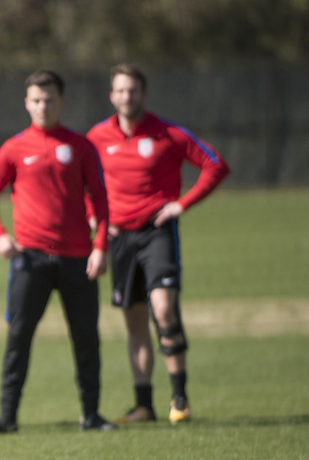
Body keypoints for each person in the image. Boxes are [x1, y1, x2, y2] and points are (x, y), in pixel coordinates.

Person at [87, 63, 230, 424]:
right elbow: (83, 181)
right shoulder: (97, 137)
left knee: (163, 309)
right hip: (119, 237)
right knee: (134, 321)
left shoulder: (168, 132)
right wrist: (94, 217)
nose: (126, 97)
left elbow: (215, 165)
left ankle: (179, 399)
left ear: (144, 95)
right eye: (120, 91)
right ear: (111, 96)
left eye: (133, 90)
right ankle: (143, 405)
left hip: (157, 232)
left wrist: (181, 205)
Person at [0, 70, 114, 434]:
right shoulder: (14, 148)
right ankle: (7, 418)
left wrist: (100, 247)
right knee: (18, 336)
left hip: (78, 259)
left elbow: (100, 199)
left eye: (49, 99)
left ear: (61, 102)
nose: (43, 106)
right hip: (29, 260)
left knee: (86, 337)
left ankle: (91, 414)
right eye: (36, 100)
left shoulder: (81, 146)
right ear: (26, 103)